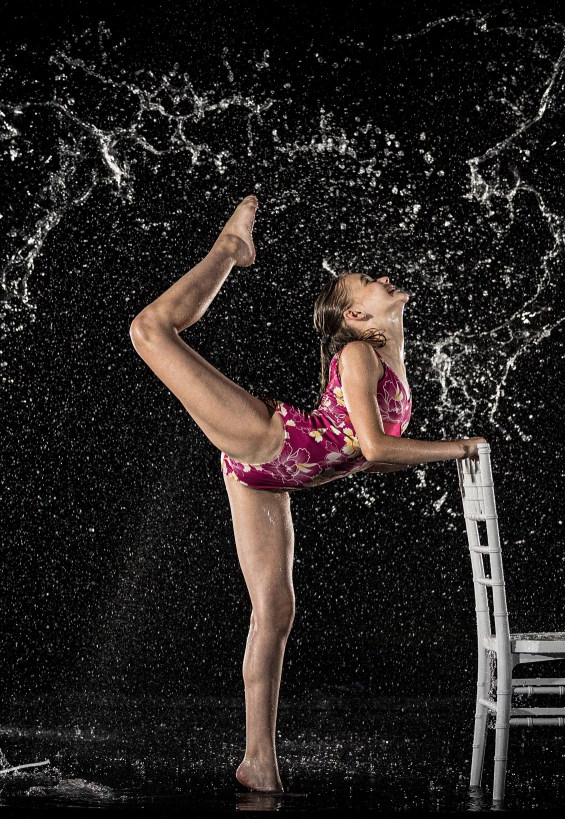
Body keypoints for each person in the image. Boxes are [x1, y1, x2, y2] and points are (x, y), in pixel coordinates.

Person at [129, 194, 486, 794]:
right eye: (367, 283)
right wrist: (459, 448)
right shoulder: (356, 352)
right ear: (356, 318)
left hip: (273, 479)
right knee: (149, 331)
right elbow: (373, 448)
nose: (382, 278)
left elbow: (360, 457)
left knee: (275, 614)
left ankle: (257, 762)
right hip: (268, 442)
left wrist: (406, 457)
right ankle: (229, 250)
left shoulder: (388, 358)